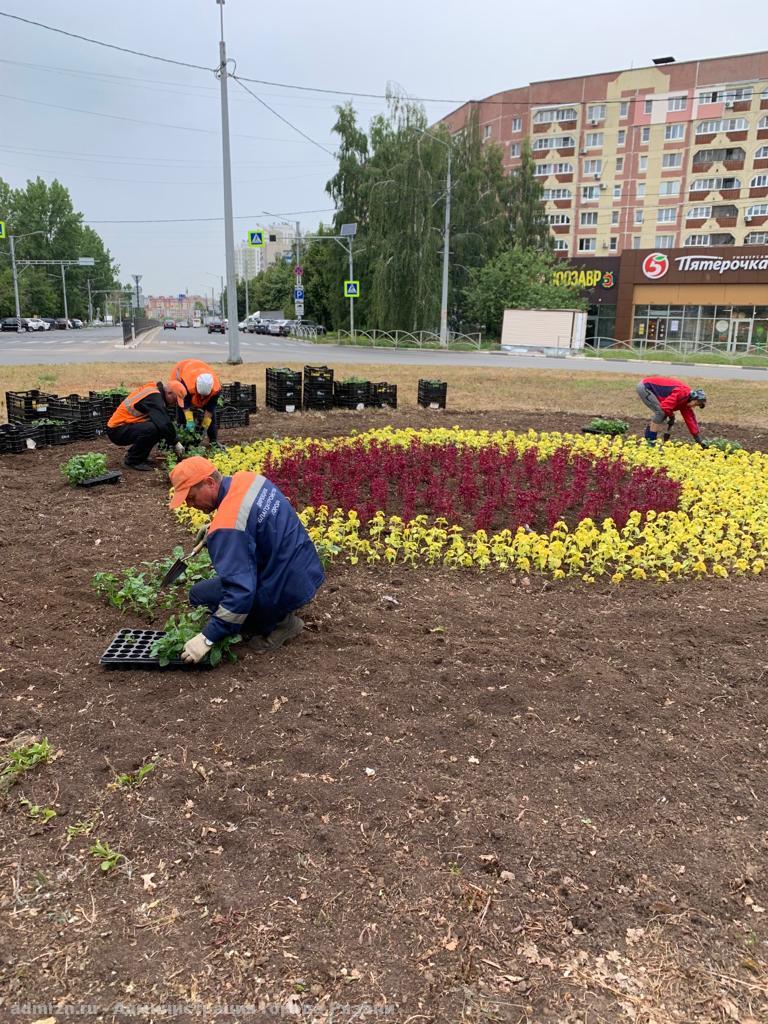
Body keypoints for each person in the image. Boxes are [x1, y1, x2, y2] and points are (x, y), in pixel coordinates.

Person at [167, 456, 325, 663]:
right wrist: (216, 526)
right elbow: (256, 519)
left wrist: (207, 639)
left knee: (200, 597)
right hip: (304, 569)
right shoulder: (248, 480)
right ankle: (276, 611)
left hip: (282, 586)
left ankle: (281, 624)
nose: (190, 505)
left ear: (210, 483)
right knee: (208, 592)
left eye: (191, 497)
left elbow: (240, 591)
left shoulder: (228, 527)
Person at [106, 380, 186, 470]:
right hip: (117, 430)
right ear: (169, 393)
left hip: (124, 427)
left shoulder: (156, 393)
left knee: (156, 428)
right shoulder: (154, 397)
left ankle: (140, 457)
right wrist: (175, 442)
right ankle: (132, 461)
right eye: (175, 400)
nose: (175, 403)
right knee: (152, 429)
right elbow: (163, 422)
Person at [636, 376, 707, 445]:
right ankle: (651, 442)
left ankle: (648, 438)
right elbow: (665, 406)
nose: (694, 407)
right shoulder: (682, 392)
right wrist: (671, 416)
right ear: (694, 397)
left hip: (648, 388)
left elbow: (690, 420)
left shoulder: (686, 403)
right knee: (660, 413)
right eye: (696, 403)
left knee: (662, 414)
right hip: (646, 386)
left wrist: (698, 440)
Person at [167, 359, 222, 444]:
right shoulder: (187, 384)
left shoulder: (216, 388)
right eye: (200, 395)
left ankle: (213, 441)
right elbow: (184, 403)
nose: (202, 398)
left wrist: (204, 426)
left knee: (211, 417)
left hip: (198, 368)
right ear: (196, 387)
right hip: (181, 371)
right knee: (181, 408)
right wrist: (189, 420)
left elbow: (210, 409)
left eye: (205, 396)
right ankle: (181, 439)